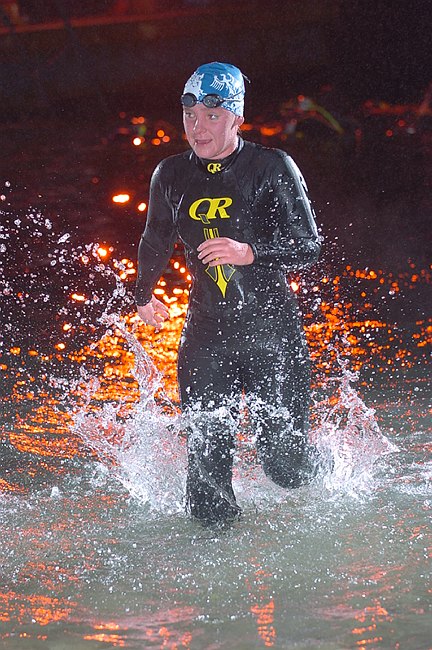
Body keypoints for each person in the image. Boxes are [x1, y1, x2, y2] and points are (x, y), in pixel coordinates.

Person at [135, 62, 322, 525]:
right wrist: (141, 293)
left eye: (212, 115)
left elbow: (309, 247)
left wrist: (250, 251)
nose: (198, 126)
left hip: (271, 336)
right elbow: (155, 237)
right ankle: (213, 583)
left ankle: (332, 471)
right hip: (205, 339)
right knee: (206, 486)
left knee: (286, 467)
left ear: (237, 117)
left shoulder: (272, 166)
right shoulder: (170, 174)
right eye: (190, 114)